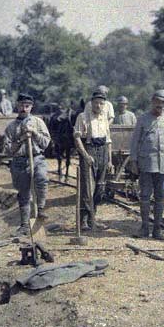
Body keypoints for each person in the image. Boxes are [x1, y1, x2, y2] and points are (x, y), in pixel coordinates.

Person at [129, 90, 164, 240]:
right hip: (146, 163)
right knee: (145, 195)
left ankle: (157, 229)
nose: (160, 105)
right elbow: (134, 142)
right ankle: (144, 228)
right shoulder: (143, 119)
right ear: (152, 101)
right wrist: (133, 161)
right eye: (158, 101)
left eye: (163, 103)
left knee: (160, 197)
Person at [3, 94, 51, 236]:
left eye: (27, 106)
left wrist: (34, 133)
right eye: (21, 106)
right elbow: (8, 149)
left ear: (31, 107)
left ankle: (41, 210)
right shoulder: (11, 127)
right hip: (19, 162)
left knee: (42, 179)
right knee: (23, 193)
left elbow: (46, 143)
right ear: (17, 106)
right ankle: (24, 225)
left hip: (37, 159)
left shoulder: (38, 122)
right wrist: (22, 138)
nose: (24, 109)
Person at [73, 87, 113, 230]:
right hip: (89, 150)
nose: (98, 106)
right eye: (96, 103)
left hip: (102, 152)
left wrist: (109, 160)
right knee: (87, 188)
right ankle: (83, 220)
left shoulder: (104, 119)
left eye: (101, 104)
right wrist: (85, 156)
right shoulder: (82, 117)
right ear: (91, 103)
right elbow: (77, 139)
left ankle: (92, 218)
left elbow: (108, 141)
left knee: (100, 188)